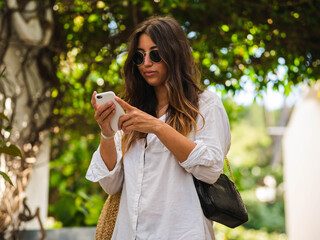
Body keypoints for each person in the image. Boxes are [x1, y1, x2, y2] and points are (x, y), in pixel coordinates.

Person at [86, 16, 231, 240]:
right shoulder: (130, 111)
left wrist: (157, 127)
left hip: (180, 232)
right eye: (139, 56)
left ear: (174, 53)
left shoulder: (205, 105)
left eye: (155, 54)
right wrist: (107, 133)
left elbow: (210, 169)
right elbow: (111, 185)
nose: (146, 63)